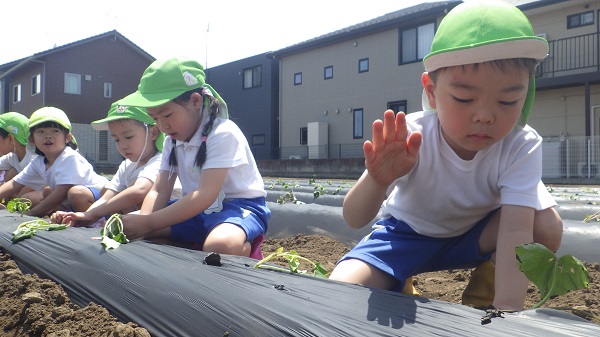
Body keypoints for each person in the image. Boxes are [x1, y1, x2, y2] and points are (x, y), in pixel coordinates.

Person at [329, 0, 563, 312]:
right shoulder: (412, 135)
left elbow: (516, 231)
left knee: (546, 225)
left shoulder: (520, 144)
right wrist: (377, 180)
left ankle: (484, 296)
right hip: (405, 237)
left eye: (507, 101)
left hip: (475, 237)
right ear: (431, 91)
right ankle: (399, 280)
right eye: (464, 98)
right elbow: (354, 218)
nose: (484, 116)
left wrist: (507, 310)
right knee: (342, 288)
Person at [117, 57, 270, 259]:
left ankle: (246, 248)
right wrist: (144, 223)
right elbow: (160, 189)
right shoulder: (172, 141)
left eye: (167, 115)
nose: (162, 126)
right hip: (196, 211)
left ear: (195, 101)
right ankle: (194, 242)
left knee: (220, 246)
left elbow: (205, 195)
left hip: (236, 207)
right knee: (129, 226)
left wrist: (149, 223)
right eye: (155, 118)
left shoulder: (222, 133)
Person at [50, 102, 182, 227]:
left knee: (130, 201)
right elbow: (107, 196)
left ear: (153, 132)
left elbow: (139, 191)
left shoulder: (159, 160)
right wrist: (82, 216)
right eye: (117, 140)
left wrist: (90, 214)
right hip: (145, 216)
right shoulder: (126, 165)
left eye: (129, 137)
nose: (122, 145)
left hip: (170, 217)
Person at [0, 107, 108, 216]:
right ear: (32, 139)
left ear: (67, 138)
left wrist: (32, 213)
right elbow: (15, 183)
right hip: (71, 200)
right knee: (48, 192)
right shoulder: (38, 162)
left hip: (99, 198)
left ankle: (96, 221)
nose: (48, 136)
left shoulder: (69, 157)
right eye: (40, 131)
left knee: (76, 194)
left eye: (55, 131)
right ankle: (68, 217)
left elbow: (61, 193)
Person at [0, 112, 44, 201]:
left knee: (27, 198)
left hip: (49, 192)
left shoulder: (34, 158)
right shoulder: (13, 156)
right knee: (12, 172)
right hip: (28, 188)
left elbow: (31, 185)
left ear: (10, 139)